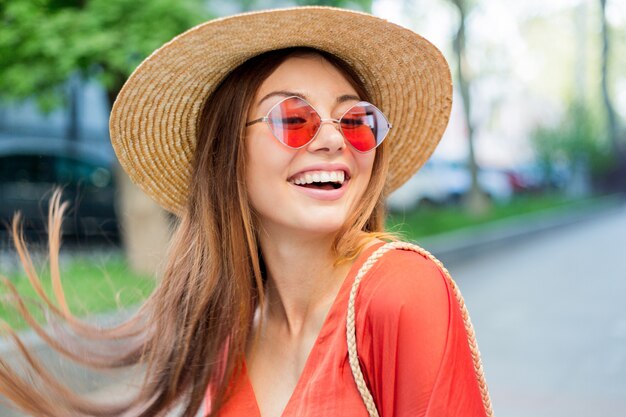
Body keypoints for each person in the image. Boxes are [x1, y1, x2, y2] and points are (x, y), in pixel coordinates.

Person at [0, 6, 493, 417]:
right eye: (294, 119)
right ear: (228, 153)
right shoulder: (231, 333)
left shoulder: (402, 292)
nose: (332, 139)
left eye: (355, 119)